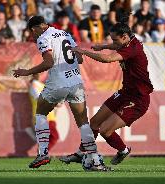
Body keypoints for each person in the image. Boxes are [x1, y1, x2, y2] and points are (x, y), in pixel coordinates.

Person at [13, 16, 107, 171]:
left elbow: (49, 62)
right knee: (83, 122)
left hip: (58, 82)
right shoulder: (66, 34)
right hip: (76, 82)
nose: (33, 35)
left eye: (32, 32)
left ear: (35, 28)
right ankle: (95, 160)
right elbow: (80, 59)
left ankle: (43, 153)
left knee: (40, 113)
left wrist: (27, 72)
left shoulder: (43, 37)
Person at [60, 22, 153, 166]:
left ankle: (123, 150)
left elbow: (107, 59)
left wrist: (84, 52)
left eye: (115, 40)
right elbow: (117, 46)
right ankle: (80, 154)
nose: (113, 43)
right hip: (124, 93)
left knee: (105, 130)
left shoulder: (133, 48)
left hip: (138, 99)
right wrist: (103, 46)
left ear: (124, 37)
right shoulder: (128, 42)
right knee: (95, 122)